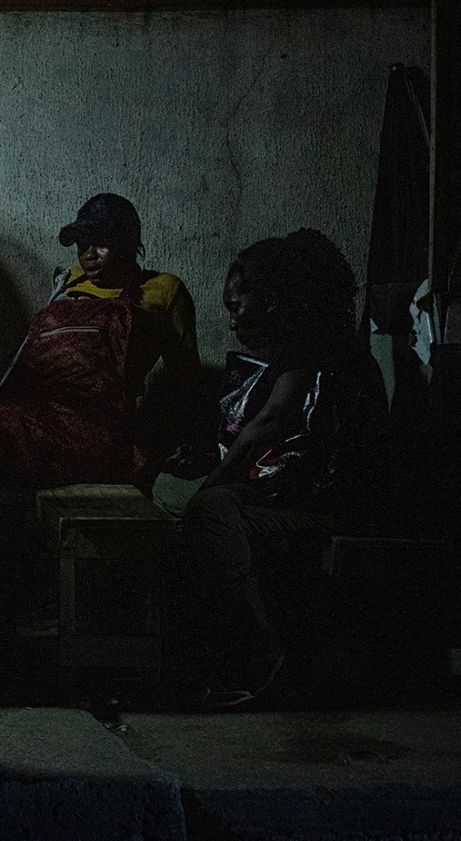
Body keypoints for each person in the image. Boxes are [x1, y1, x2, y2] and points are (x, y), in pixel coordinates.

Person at [0, 193, 199, 635]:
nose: (88, 255)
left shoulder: (163, 291)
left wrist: (189, 441)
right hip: (47, 419)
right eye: (81, 244)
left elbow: (184, 380)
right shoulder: (68, 283)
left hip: (98, 429)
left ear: (131, 244)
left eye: (101, 244)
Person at [180, 228, 387, 708]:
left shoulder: (314, 342)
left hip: (339, 505)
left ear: (272, 300)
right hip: (320, 495)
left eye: (237, 306)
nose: (232, 322)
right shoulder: (320, 341)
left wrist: (213, 481)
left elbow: (273, 422)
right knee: (202, 500)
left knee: (209, 511)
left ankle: (264, 659)